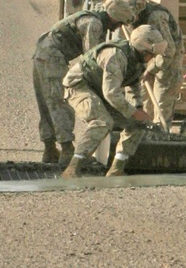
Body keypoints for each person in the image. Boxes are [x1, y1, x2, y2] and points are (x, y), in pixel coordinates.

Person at [32, 0, 138, 166]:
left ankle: (50, 149)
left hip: (43, 53)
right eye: (119, 23)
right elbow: (92, 57)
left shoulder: (92, 18)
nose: (118, 27)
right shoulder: (94, 24)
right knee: (59, 103)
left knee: (47, 103)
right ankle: (67, 151)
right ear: (114, 18)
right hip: (52, 57)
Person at [61, 25, 165, 179]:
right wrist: (134, 112)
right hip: (80, 86)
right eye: (151, 54)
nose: (152, 58)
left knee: (137, 125)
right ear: (142, 50)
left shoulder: (137, 60)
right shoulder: (115, 55)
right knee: (102, 121)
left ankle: (116, 168)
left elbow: (134, 85)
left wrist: (138, 108)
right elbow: (111, 93)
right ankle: (73, 168)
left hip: (101, 91)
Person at [118, 0, 186, 126]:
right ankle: (143, 129)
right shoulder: (128, 16)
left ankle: (160, 133)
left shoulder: (155, 17)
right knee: (141, 96)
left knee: (162, 99)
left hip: (169, 55)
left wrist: (151, 70)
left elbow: (169, 50)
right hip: (146, 52)